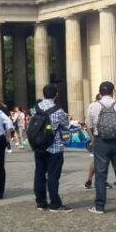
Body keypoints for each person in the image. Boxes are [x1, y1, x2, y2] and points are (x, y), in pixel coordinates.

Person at [86, 81, 116, 213]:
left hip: (101, 142)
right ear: (113, 92)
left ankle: (99, 206)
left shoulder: (93, 106)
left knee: (100, 175)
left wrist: (94, 138)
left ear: (100, 92)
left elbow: (89, 125)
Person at [31, 84, 72, 212]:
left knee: (39, 174)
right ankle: (55, 203)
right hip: (54, 147)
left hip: (39, 146)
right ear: (56, 95)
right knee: (53, 176)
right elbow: (65, 125)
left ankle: (40, 202)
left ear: (43, 94)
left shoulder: (36, 108)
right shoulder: (58, 110)